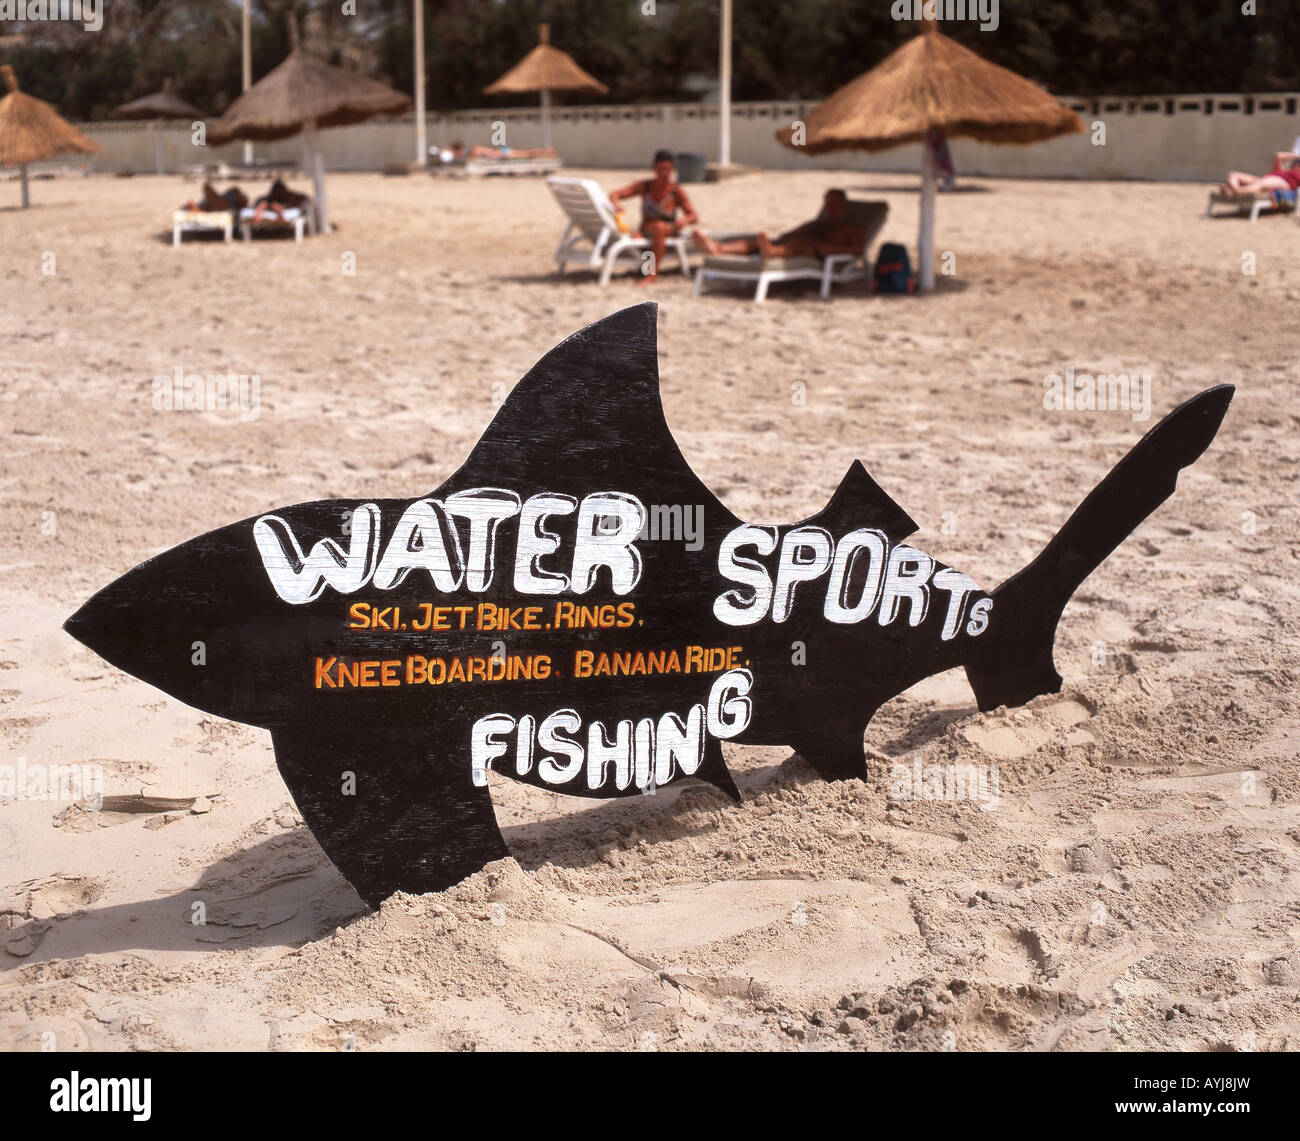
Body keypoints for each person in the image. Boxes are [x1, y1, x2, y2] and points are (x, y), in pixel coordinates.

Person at [692, 188, 864, 260]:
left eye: (835, 204)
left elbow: (858, 250)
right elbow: (790, 234)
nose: (831, 208)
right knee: (756, 240)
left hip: (820, 253)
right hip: (797, 245)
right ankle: (718, 248)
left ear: (844, 206)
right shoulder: (818, 223)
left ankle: (771, 251)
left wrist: (828, 248)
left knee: (799, 244)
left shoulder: (851, 228)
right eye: (828, 204)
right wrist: (783, 238)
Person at [610, 149, 700, 285]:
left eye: (669, 169)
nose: (665, 173)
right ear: (654, 168)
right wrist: (617, 205)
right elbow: (615, 194)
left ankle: (652, 274)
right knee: (646, 231)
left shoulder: (675, 190)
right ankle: (646, 269)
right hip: (647, 230)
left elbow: (694, 215)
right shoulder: (645, 186)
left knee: (659, 227)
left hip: (668, 230)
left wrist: (684, 220)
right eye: (661, 169)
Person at [1219, 150, 1300, 197]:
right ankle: (1234, 189)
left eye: (1297, 164)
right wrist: (1296, 156)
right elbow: (1279, 155)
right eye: (1295, 163)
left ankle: (1236, 191)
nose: (1295, 164)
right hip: (1263, 180)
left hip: (1282, 183)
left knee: (1261, 183)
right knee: (1233, 174)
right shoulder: (1281, 171)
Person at [181, 182, 247, 213]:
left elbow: (242, 204)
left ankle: (195, 208)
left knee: (206, 186)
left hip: (224, 203)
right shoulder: (234, 194)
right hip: (221, 202)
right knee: (207, 188)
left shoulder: (236, 195)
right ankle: (195, 208)